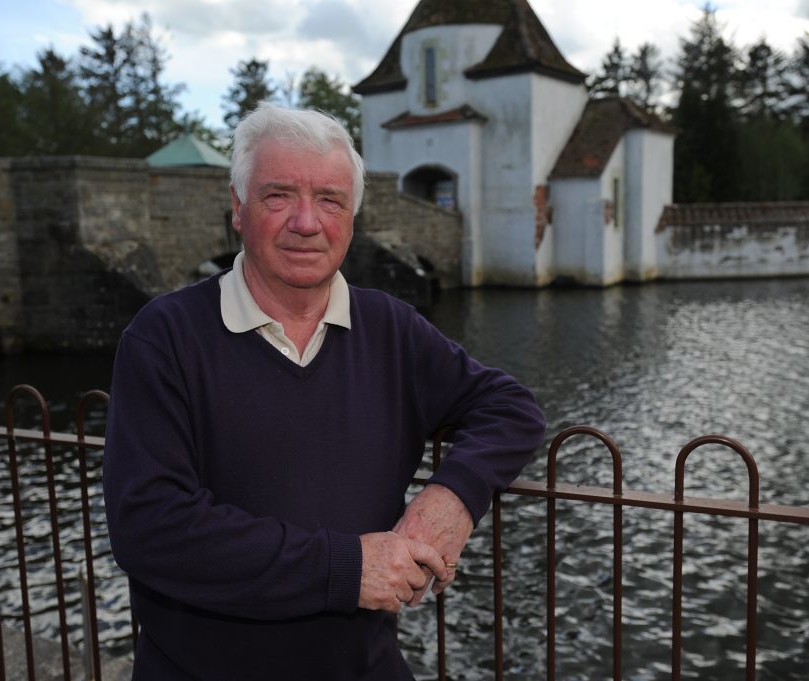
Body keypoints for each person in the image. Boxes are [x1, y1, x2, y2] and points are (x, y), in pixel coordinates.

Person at [102, 101, 545, 680]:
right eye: (278, 195)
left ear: (352, 218)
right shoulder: (165, 337)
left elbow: (512, 409)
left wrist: (452, 499)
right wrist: (348, 568)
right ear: (238, 209)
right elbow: (150, 526)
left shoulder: (389, 327)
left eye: (330, 200)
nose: (307, 222)